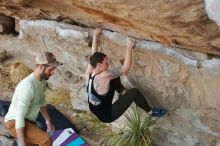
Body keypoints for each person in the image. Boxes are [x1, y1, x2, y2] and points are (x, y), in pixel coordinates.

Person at [85, 28, 166, 123]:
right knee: (134, 92)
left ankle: (120, 92)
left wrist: (95, 37)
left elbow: (93, 55)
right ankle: (151, 111)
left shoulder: (89, 73)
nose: (108, 64)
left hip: (95, 109)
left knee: (114, 76)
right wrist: (129, 47)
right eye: (106, 63)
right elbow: (125, 68)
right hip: (108, 115)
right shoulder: (105, 76)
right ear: (99, 65)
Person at [4, 51, 63, 146]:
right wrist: (22, 143)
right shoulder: (28, 87)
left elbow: (41, 101)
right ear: (40, 67)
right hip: (15, 123)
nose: (53, 72)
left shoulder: (42, 80)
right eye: (51, 69)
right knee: (46, 140)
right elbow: (19, 116)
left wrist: (48, 121)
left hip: (28, 122)